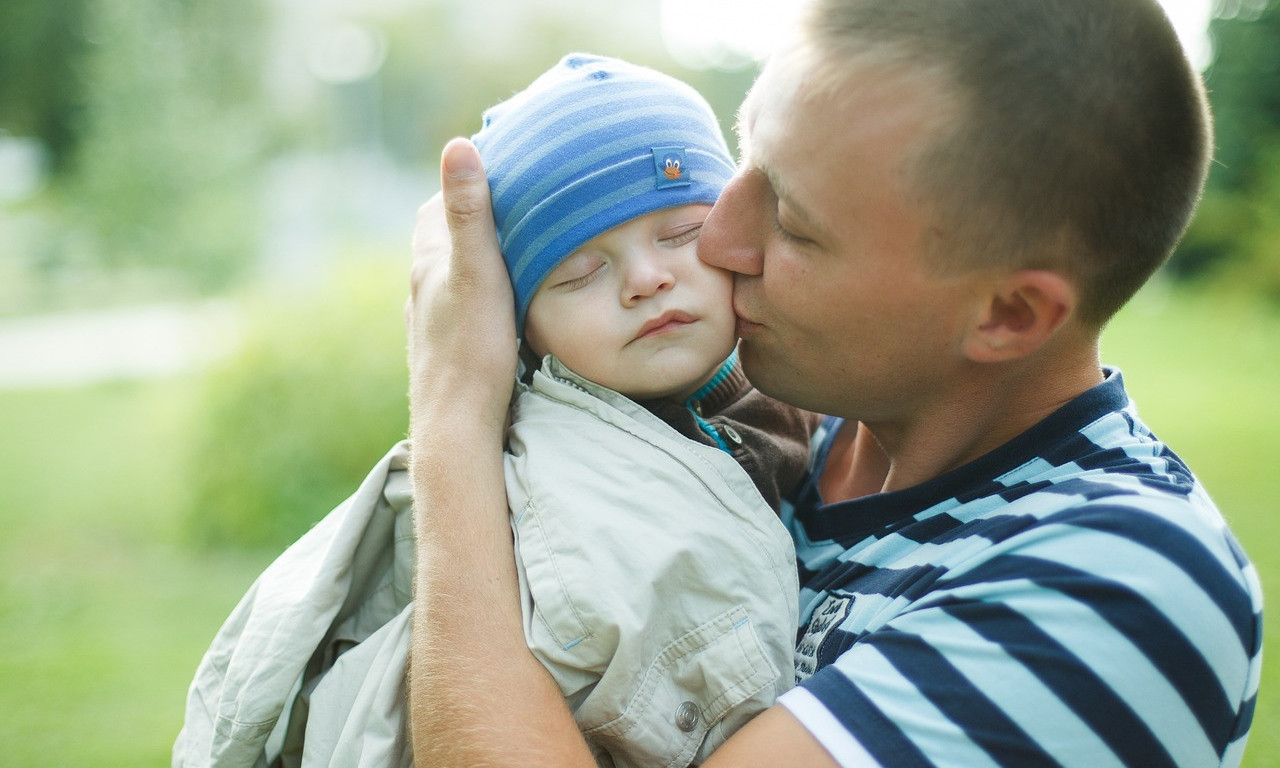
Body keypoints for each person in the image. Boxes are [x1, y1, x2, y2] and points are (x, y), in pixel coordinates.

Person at [404, 0, 1263, 766]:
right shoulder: (765, 433)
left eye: (794, 222)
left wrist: (453, 402)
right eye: (744, 165)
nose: (718, 242)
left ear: (1007, 314)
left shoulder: (1118, 586)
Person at [173, 54, 816, 768]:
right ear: (520, 329)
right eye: (578, 271)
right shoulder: (540, 481)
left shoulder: (809, 385)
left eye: (681, 234)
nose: (645, 279)